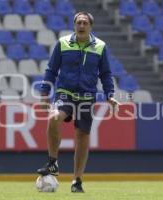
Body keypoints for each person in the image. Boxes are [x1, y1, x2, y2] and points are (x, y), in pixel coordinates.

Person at [37, 11, 119, 193]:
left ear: (90, 26)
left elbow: (105, 74)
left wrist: (110, 95)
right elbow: (51, 70)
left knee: (82, 136)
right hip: (65, 93)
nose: (81, 26)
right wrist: (44, 95)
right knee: (54, 117)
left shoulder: (100, 47)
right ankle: (52, 163)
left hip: (87, 97)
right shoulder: (63, 43)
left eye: (85, 23)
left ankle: (77, 181)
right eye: (78, 23)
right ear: (74, 25)